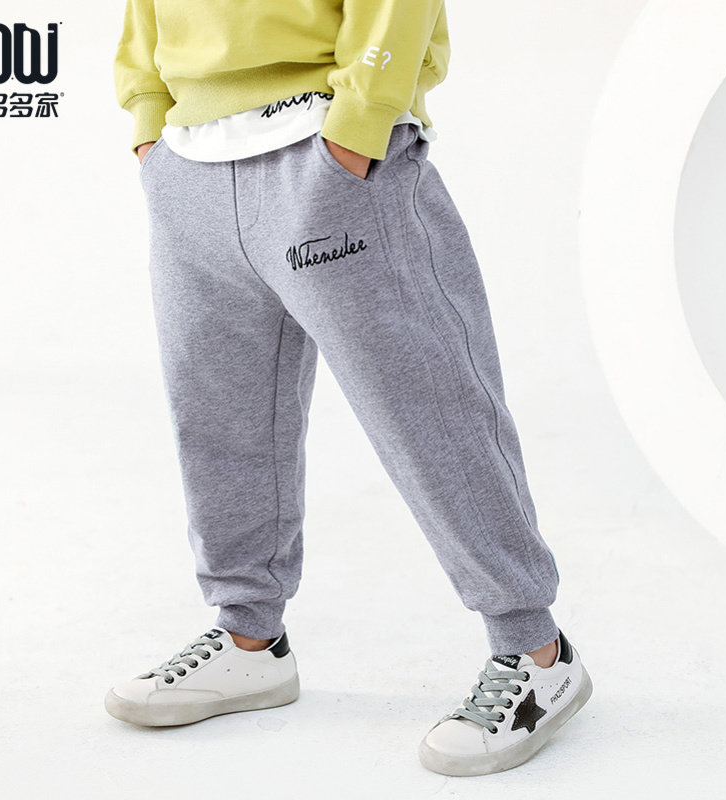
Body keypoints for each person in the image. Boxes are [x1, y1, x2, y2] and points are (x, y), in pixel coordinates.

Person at [106, 0, 593, 777]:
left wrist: (357, 129)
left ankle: (536, 651)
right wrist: (147, 119)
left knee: (427, 406)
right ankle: (249, 640)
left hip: (323, 150)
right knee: (218, 418)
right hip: (189, 162)